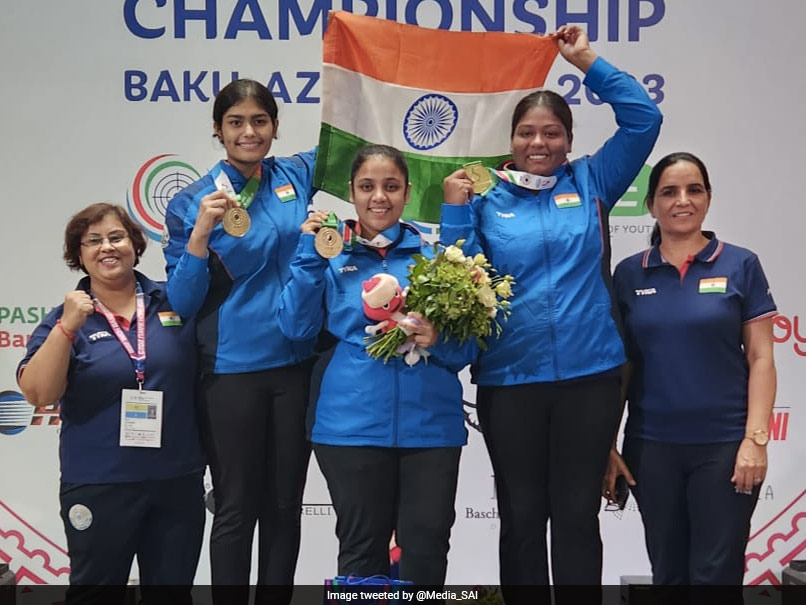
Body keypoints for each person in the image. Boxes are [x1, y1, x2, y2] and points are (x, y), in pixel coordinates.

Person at [440, 25, 663, 598]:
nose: (539, 143)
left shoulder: (592, 180)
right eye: (527, 133)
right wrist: (456, 214)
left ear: (567, 138)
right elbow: (460, 280)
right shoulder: (485, 197)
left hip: (590, 378)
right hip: (511, 380)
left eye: (552, 132)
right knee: (520, 517)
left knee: (575, 516)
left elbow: (644, 120)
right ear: (510, 139)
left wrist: (586, 60)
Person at [279, 144, 475, 586]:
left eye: (391, 187)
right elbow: (295, 328)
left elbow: (468, 352)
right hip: (350, 427)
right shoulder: (329, 254)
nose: (378, 197)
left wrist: (439, 340)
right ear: (351, 192)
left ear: (407, 193)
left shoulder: (437, 258)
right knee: (361, 554)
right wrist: (310, 255)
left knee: (426, 551)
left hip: (430, 429)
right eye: (367, 187)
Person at [162, 79, 316, 604]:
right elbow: (180, 305)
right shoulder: (190, 201)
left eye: (260, 121)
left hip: (296, 366)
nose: (249, 132)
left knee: (284, 508)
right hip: (231, 373)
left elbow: (358, 138)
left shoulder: (296, 173)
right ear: (217, 130)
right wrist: (201, 234)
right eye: (236, 122)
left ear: (274, 127)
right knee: (235, 506)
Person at [18, 203, 205, 605]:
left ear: (135, 245)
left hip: (176, 480)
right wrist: (68, 327)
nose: (107, 247)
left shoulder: (173, 300)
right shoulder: (63, 319)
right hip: (100, 482)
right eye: (93, 241)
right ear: (79, 255)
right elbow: (39, 394)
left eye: (116, 237)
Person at [605, 152, 777, 589]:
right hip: (651, 449)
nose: (682, 201)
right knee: (669, 576)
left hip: (725, 449)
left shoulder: (740, 264)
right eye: (669, 192)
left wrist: (755, 441)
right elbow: (619, 367)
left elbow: (761, 357)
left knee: (715, 577)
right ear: (651, 205)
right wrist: (607, 443)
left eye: (693, 190)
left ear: (708, 198)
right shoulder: (628, 274)